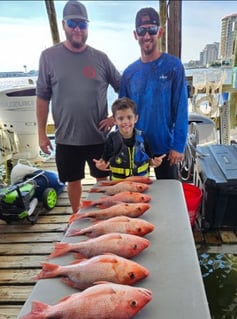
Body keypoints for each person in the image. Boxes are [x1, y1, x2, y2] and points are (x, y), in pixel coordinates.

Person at [36, 1, 120, 215]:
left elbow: (124, 88)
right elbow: (43, 97)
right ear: (64, 24)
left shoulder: (100, 58)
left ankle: (104, 217)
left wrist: (114, 118)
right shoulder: (48, 57)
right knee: (73, 181)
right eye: (72, 23)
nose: (77, 29)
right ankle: (75, 218)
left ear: (87, 27)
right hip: (66, 138)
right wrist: (41, 134)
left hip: (98, 137)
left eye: (82, 24)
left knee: (103, 179)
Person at [119, 7, 188, 180]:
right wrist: (119, 145)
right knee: (136, 199)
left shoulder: (174, 66)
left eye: (152, 29)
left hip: (165, 148)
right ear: (136, 34)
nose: (147, 36)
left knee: (168, 196)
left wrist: (178, 145)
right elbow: (121, 113)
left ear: (160, 32)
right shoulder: (128, 73)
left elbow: (181, 109)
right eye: (142, 31)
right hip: (135, 148)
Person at [93, 97, 165, 180]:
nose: (125, 122)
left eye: (129, 117)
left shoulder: (142, 136)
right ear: (115, 121)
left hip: (141, 184)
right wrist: (100, 165)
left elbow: (150, 160)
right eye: (120, 118)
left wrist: (156, 162)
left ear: (136, 118)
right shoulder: (111, 138)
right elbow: (104, 160)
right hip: (118, 185)